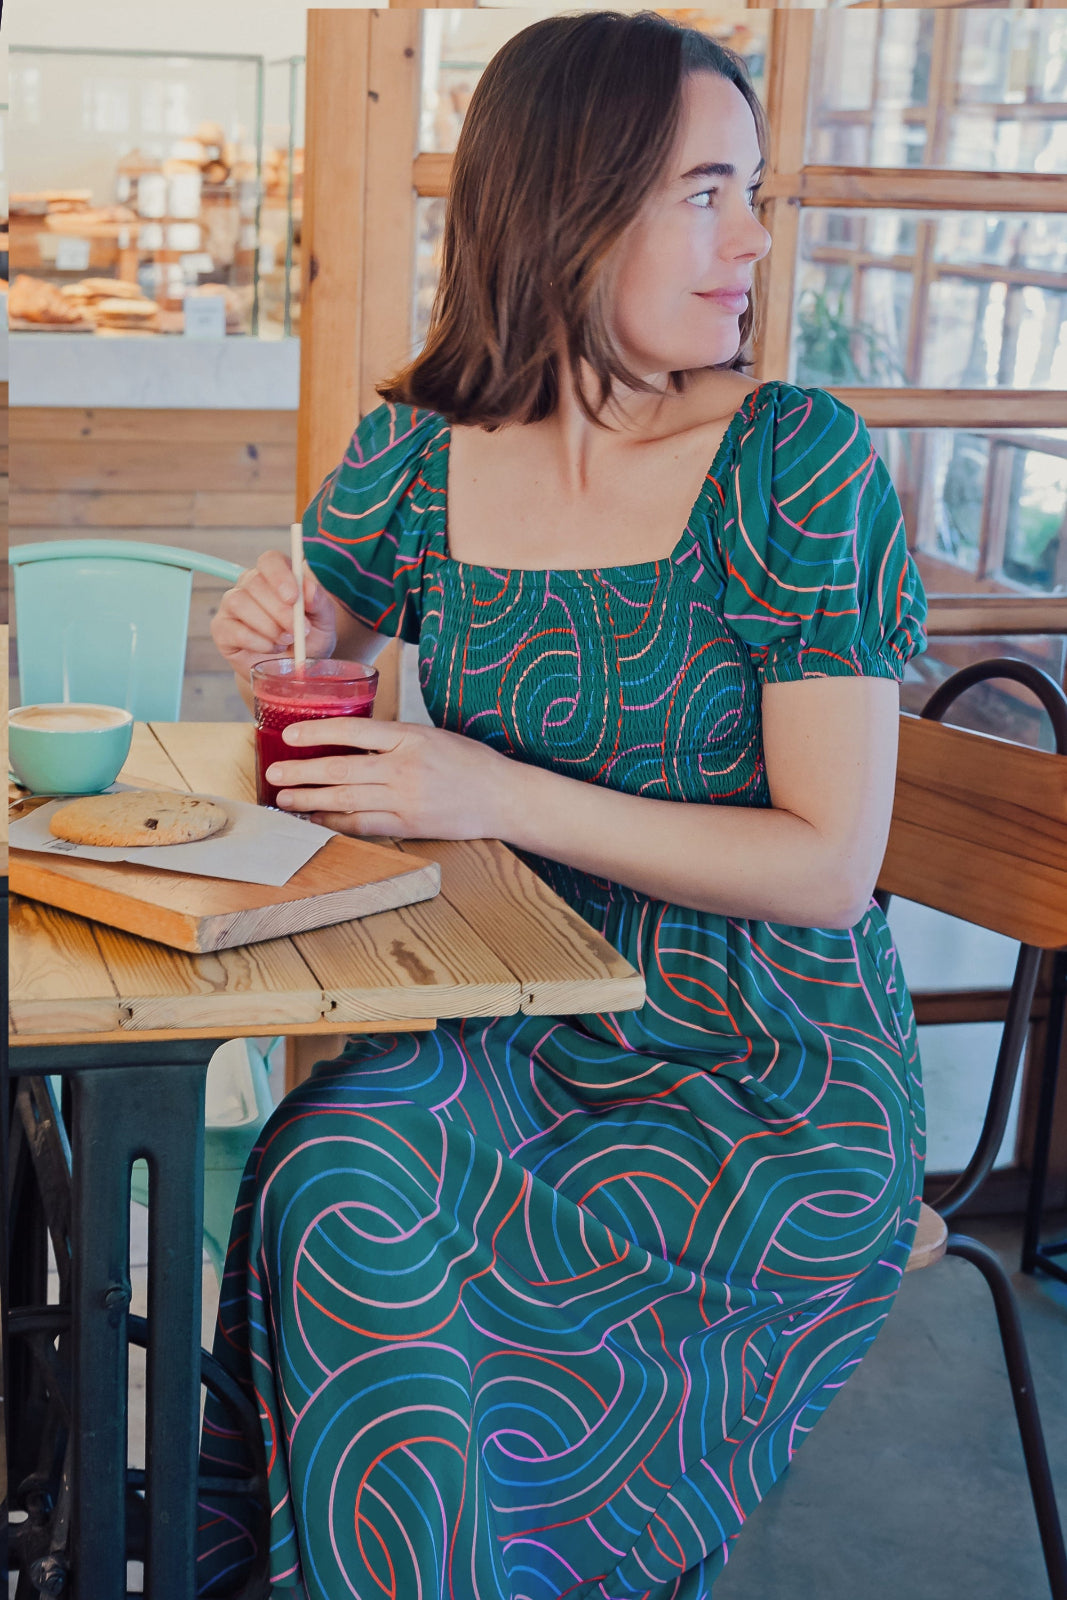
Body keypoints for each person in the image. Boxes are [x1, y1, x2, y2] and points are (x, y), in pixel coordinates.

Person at [199, 12, 927, 1598]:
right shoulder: (418, 446)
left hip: (757, 1080)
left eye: (755, 196)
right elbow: (308, 658)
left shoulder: (794, 465)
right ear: (569, 202)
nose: (750, 242)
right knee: (338, 1172)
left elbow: (830, 870)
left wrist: (487, 786)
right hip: (505, 1024)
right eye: (704, 194)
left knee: (363, 1190)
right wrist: (275, 629)